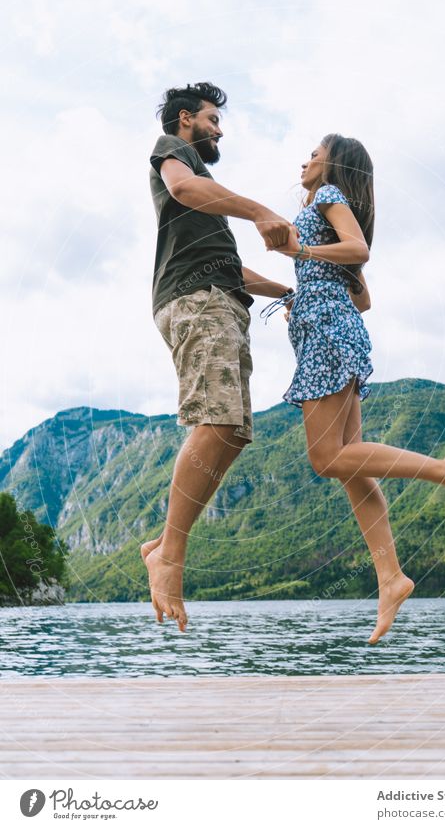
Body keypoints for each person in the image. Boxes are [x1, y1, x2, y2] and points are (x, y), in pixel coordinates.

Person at [269, 133, 445, 643]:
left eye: (315, 153)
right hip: (330, 327)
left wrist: (302, 251)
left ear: (335, 165)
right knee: (351, 465)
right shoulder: (324, 209)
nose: (305, 160)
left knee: (327, 459)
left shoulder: (329, 198)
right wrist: (304, 293)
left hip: (327, 336)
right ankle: (390, 576)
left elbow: (360, 251)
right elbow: (364, 298)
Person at [142, 82, 297, 631]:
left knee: (233, 429)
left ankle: (163, 543)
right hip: (196, 302)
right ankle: (169, 556)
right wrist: (258, 210)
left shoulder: (209, 201)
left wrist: (286, 292)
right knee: (218, 419)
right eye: (212, 119)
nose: (219, 129)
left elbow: (233, 270)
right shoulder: (173, 151)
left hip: (222, 300)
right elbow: (181, 189)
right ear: (186, 119)